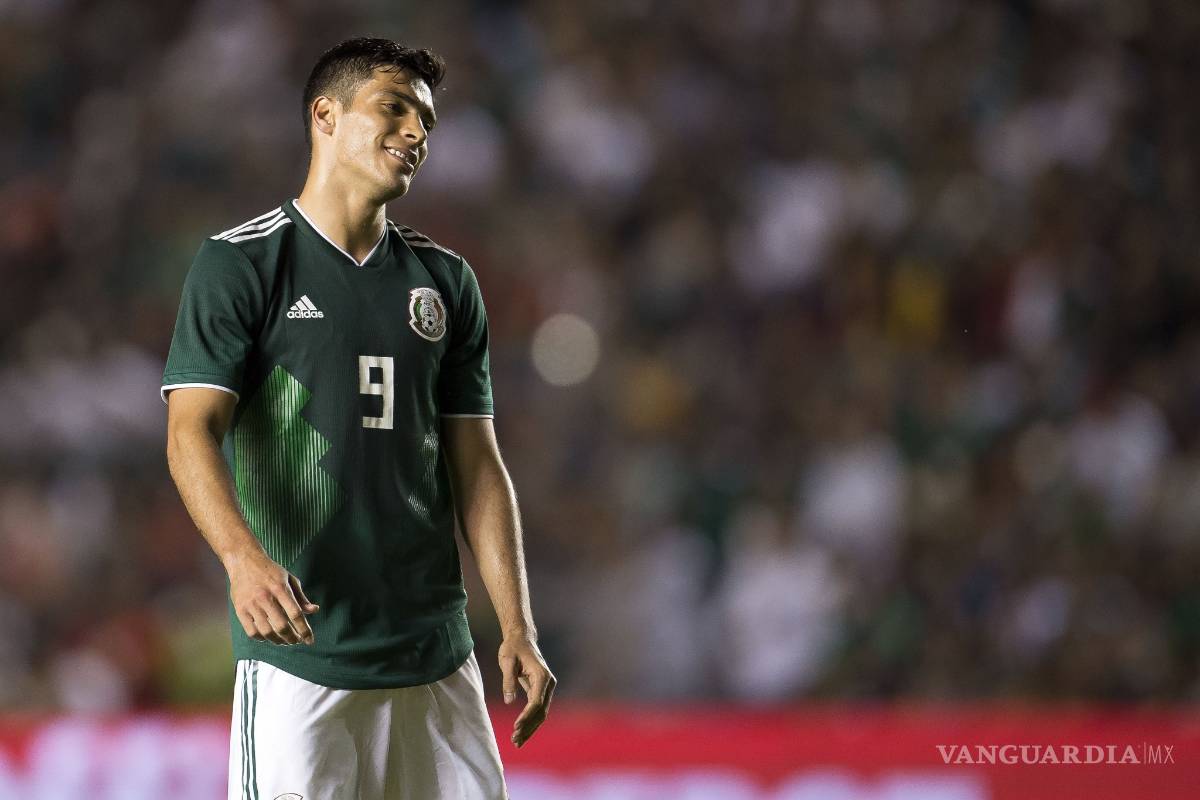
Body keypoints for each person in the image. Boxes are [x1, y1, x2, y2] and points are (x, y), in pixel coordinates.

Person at [161, 37, 554, 800]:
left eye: (427, 124)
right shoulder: (243, 264)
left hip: (436, 659)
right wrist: (242, 559)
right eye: (395, 109)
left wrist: (517, 626)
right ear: (326, 116)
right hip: (303, 655)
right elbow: (190, 431)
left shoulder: (445, 281)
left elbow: (477, 465)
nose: (416, 134)